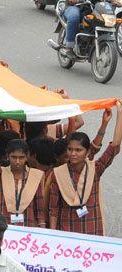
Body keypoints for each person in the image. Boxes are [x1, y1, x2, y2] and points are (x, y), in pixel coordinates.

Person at [49, 101, 122, 236]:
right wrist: (53, 236)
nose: (73, 153)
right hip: (66, 231)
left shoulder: (95, 169)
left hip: (92, 230)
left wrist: (119, 114)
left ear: (88, 152)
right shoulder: (58, 173)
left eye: (78, 150)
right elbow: (53, 209)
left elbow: (115, 146)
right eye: (70, 149)